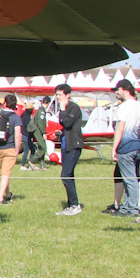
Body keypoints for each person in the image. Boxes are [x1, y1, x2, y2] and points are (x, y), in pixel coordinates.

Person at [106, 79, 140, 217]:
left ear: (124, 89)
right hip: (136, 145)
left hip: (126, 146)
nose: (116, 92)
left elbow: (120, 129)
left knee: (130, 179)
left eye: (118, 90)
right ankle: (126, 207)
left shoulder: (123, 107)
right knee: (130, 177)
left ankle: (132, 209)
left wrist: (114, 148)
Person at [54, 84, 84, 215]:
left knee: (65, 175)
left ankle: (75, 205)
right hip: (66, 145)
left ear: (67, 95)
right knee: (68, 175)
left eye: (60, 95)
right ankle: (71, 204)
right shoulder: (64, 109)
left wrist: (62, 109)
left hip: (74, 145)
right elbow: (63, 125)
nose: (58, 97)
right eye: (57, 95)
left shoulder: (73, 108)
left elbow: (68, 123)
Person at [0, 93, 24, 204]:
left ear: (5, 103)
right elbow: (18, 135)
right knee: (5, 174)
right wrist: (17, 149)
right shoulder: (16, 118)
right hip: (9, 148)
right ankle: (0, 198)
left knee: (3, 174)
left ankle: (8, 194)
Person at [27, 104, 49, 170]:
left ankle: (42, 165)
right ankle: (32, 161)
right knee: (43, 148)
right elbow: (40, 123)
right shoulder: (41, 111)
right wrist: (43, 132)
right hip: (37, 130)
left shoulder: (40, 110)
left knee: (40, 147)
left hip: (37, 129)